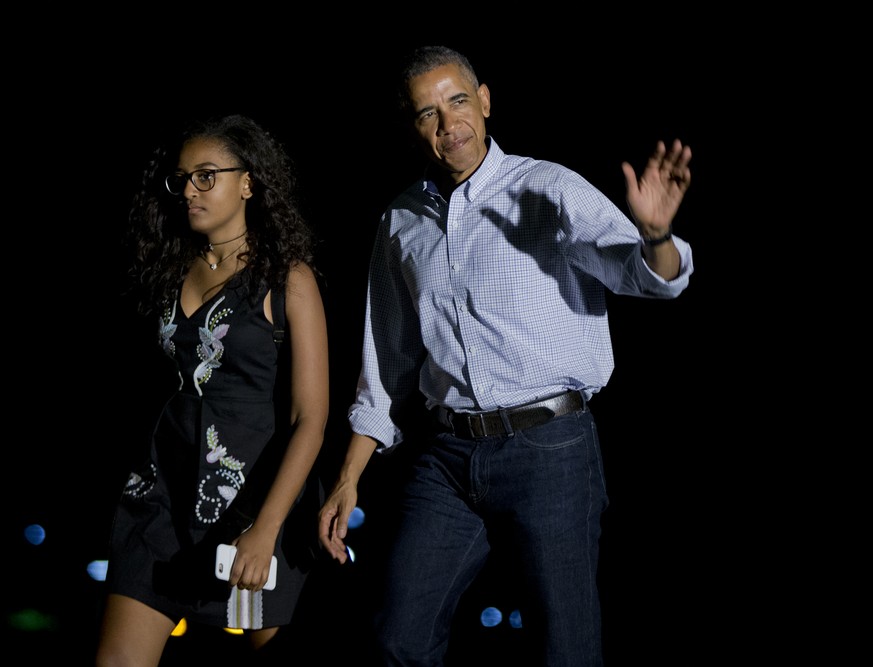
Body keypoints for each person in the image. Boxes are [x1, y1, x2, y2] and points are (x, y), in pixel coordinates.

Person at [317, 45, 694, 666]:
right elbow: (385, 363)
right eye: (427, 113)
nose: (449, 125)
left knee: (564, 648)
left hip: (549, 449)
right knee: (395, 637)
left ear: (485, 101)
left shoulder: (546, 187)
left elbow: (647, 277)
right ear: (411, 128)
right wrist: (349, 476)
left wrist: (655, 236)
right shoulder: (401, 221)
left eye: (458, 101)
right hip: (445, 458)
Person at [96, 114, 330, 666]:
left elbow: (311, 417)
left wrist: (266, 527)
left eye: (207, 176)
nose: (189, 191)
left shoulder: (287, 278)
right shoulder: (170, 266)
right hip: (161, 496)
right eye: (181, 179)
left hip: (249, 496)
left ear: (247, 182)